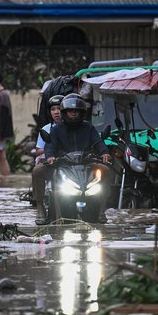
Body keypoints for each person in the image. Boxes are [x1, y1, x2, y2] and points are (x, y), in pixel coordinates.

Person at [32, 93, 112, 225]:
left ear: (82, 112)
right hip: (62, 164)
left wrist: (104, 153)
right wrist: (51, 157)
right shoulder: (56, 130)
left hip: (87, 163)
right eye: (70, 111)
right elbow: (50, 146)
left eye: (76, 111)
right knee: (37, 171)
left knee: (106, 171)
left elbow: (98, 143)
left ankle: (101, 209)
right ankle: (40, 207)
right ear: (65, 112)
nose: (73, 114)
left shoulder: (89, 128)